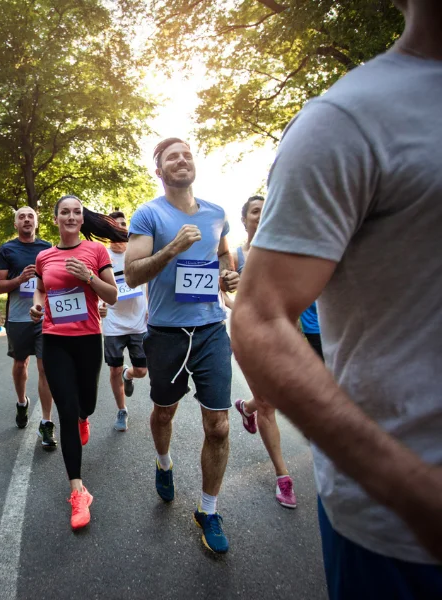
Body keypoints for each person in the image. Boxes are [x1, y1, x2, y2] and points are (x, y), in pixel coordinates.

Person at [231, 0, 442, 595]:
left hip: (320, 339)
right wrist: (416, 493)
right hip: (401, 539)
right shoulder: (346, 118)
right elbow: (258, 316)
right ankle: (277, 462)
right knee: (259, 404)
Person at [125, 137, 240, 554]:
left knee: (219, 425)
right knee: (164, 412)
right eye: (172, 157)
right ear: (159, 171)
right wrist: (173, 248)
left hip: (210, 329)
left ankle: (208, 510)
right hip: (167, 333)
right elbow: (133, 273)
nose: (182, 160)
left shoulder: (217, 213)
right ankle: (164, 463)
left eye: (187, 154)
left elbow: (223, 254)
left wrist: (229, 276)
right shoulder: (148, 214)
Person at [31, 195, 126, 530]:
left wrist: (88, 276)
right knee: (66, 413)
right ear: (55, 218)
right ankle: (78, 491)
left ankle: (85, 416)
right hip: (54, 340)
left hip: (87, 340)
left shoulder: (96, 251)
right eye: (64, 212)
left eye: (76, 212)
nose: (71, 216)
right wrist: (36, 306)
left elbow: (112, 295)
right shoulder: (44, 256)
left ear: (82, 219)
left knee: (87, 403)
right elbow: (41, 290)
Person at [224, 195, 297, 509]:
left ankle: (246, 407)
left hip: (283, 335)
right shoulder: (236, 255)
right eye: (255, 211)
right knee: (269, 405)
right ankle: (283, 477)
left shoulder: (286, 252)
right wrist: (239, 300)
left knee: (276, 397)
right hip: (249, 336)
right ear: (245, 220)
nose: (262, 214)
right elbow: (222, 293)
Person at [0, 207, 57, 449]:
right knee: (20, 364)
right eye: (21, 217)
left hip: (43, 317)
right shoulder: (7, 249)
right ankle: (22, 402)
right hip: (18, 318)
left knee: (45, 368)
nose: (26, 219)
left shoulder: (48, 248)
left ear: (37, 222)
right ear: (16, 224)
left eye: (30, 216)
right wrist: (20, 279)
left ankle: (46, 422)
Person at [98, 210, 148, 432]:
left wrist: (151, 308)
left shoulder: (138, 253)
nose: (120, 227)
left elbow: (149, 282)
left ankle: (130, 374)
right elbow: (96, 286)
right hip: (113, 323)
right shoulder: (103, 256)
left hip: (138, 322)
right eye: (114, 224)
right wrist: (99, 305)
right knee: (114, 370)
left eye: (123, 224)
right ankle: (122, 410)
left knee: (142, 371)